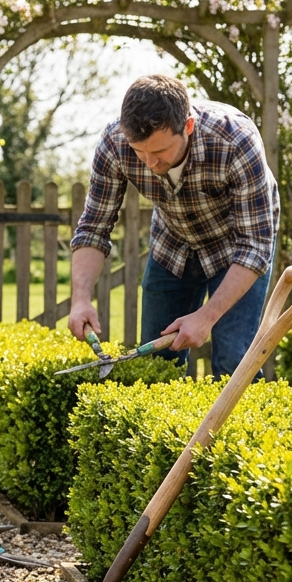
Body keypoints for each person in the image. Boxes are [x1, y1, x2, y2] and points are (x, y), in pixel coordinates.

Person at [67, 75, 279, 376]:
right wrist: (81, 299)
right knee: (155, 367)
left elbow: (255, 246)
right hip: (173, 243)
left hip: (237, 249)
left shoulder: (235, 141)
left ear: (188, 127)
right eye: (141, 152)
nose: (150, 164)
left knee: (234, 362)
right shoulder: (115, 142)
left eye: (160, 151)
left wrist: (207, 316)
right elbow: (93, 227)